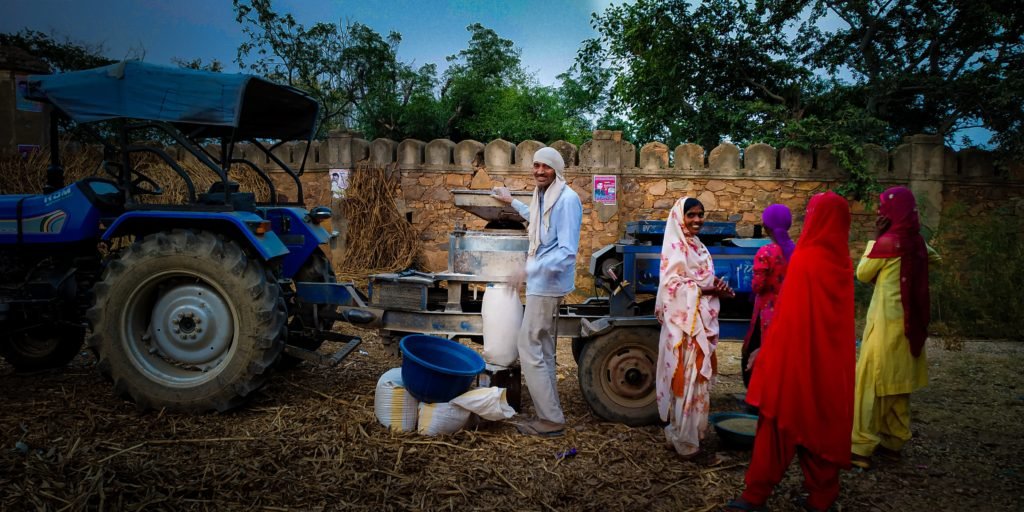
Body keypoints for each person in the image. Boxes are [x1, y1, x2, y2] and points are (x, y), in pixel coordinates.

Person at [725, 191, 855, 512]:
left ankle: (755, 496)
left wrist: (765, 352)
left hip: (795, 359)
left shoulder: (807, 262)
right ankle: (822, 497)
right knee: (818, 427)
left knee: (776, 423)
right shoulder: (841, 264)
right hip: (828, 365)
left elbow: (789, 318)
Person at [492, 147, 583, 437]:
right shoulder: (544, 195)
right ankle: (550, 413)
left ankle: (551, 419)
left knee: (528, 345)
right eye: (536, 165)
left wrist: (527, 271)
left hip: (547, 283)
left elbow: (568, 252)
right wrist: (511, 202)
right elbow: (538, 220)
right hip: (541, 282)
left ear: (557, 168)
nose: (539, 171)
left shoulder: (567, 200)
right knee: (542, 348)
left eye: (546, 166)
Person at [850, 186, 940, 469]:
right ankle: (894, 443)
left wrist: (875, 239)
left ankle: (861, 448)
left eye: (883, 207)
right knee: (898, 385)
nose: (879, 211)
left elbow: (863, 274)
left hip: (886, 325)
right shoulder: (917, 244)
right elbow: (935, 259)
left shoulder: (888, 244)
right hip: (911, 325)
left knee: (870, 384)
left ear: (894, 212)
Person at [655, 197, 735, 458]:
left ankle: (685, 434)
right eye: (691, 215)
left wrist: (716, 289)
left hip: (700, 319)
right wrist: (707, 289)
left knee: (697, 381)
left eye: (700, 215)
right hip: (685, 329)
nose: (697, 220)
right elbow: (672, 287)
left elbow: (699, 283)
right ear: (681, 217)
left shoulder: (698, 246)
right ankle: (685, 442)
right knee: (685, 379)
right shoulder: (676, 247)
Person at [741, 204, 796, 388]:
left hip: (765, 314)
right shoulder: (798, 251)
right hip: (790, 312)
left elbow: (758, 285)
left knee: (756, 352)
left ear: (765, 228)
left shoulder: (766, 252)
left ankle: (757, 395)